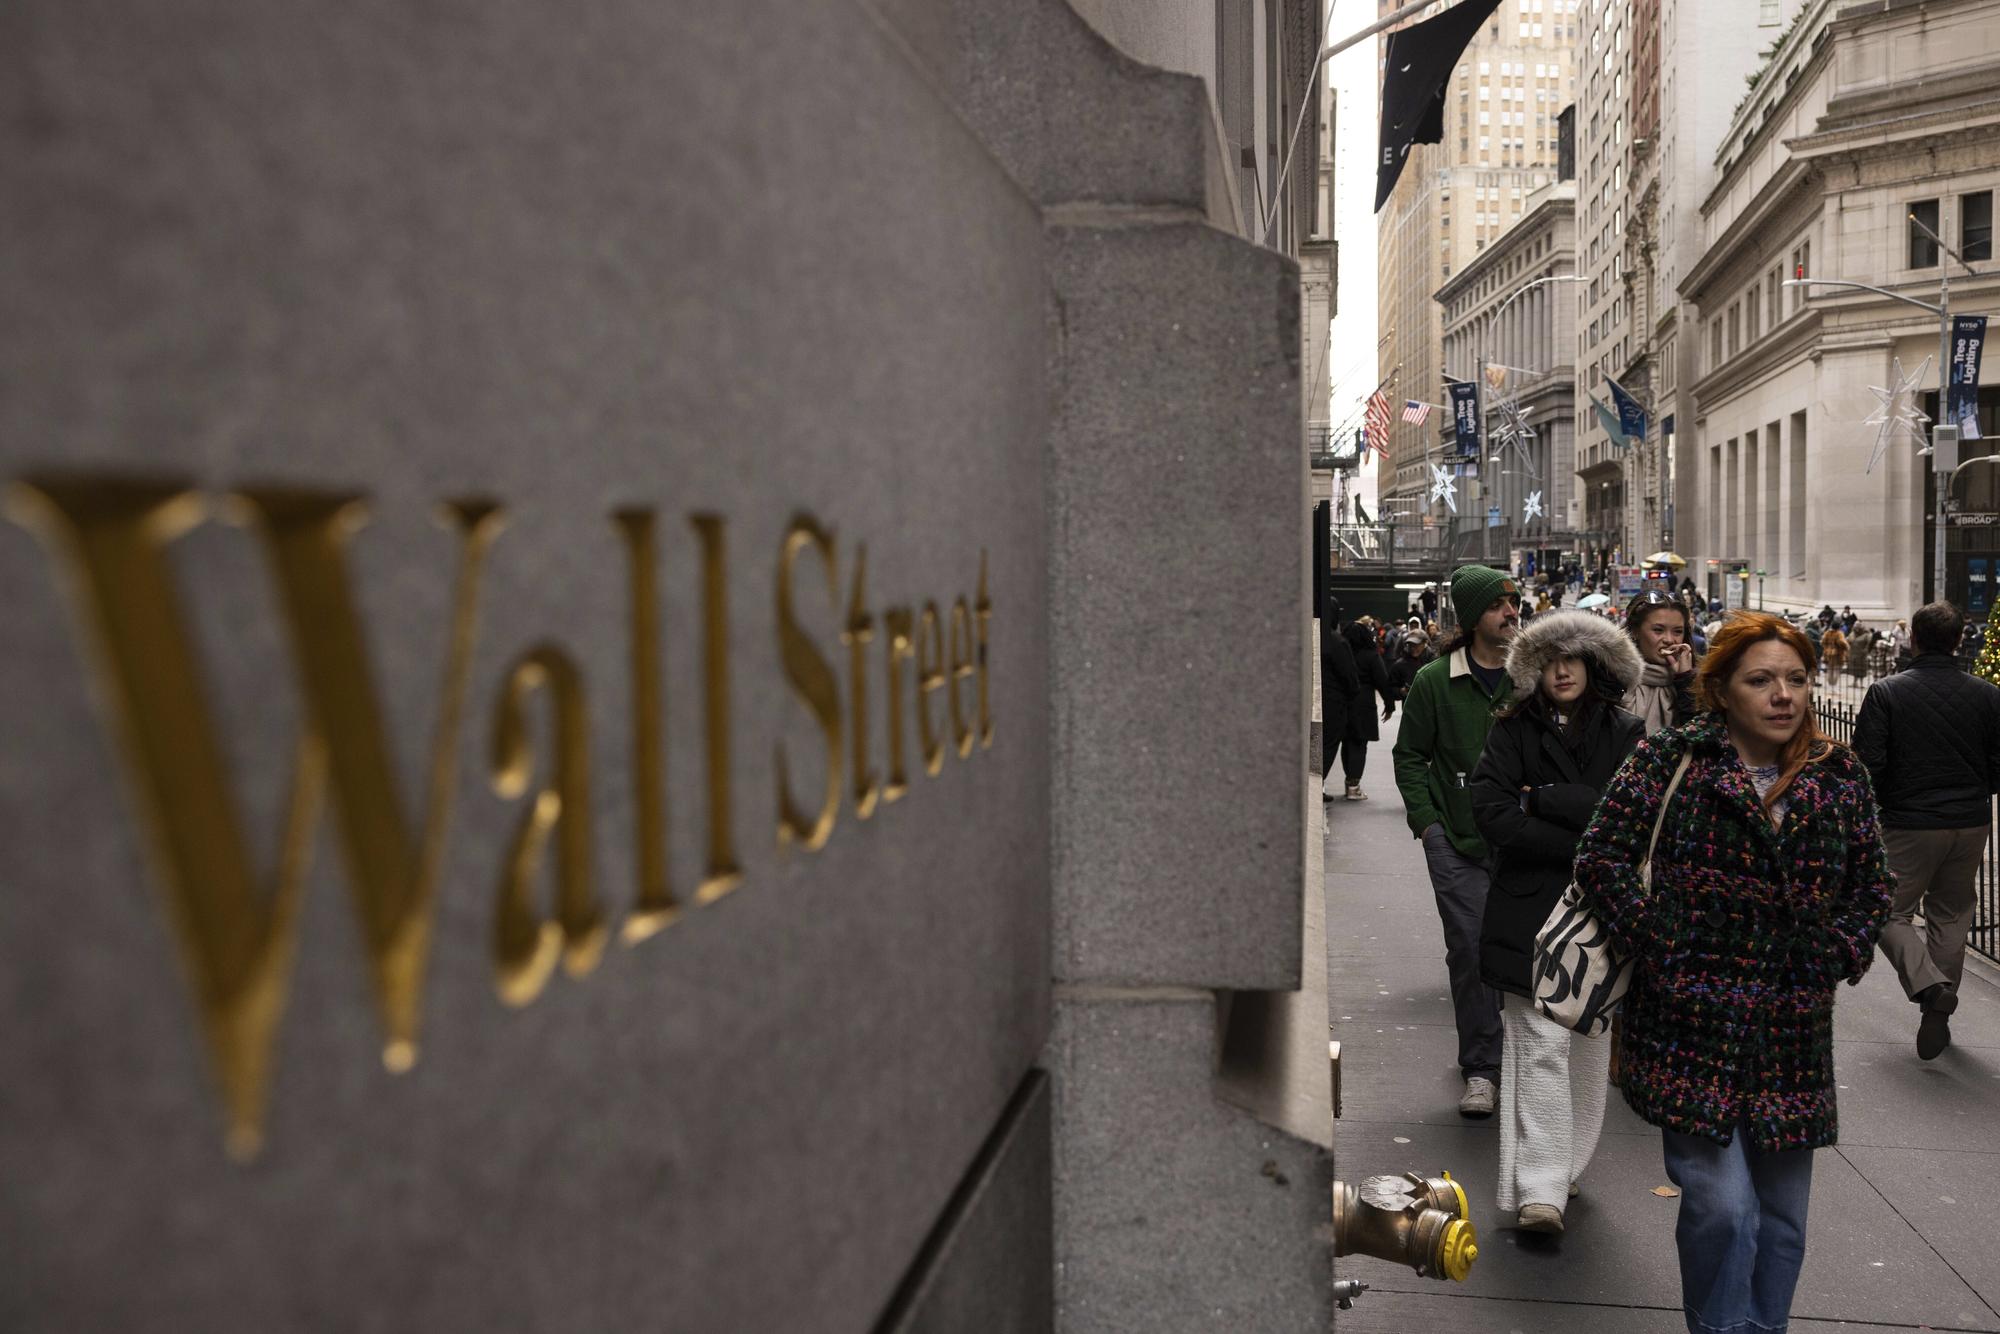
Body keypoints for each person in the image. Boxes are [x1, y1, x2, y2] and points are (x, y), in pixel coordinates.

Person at [1572, 612, 1892, 1334]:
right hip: (1690, 1021)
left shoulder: (1837, 775)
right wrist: (1660, 942)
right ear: (1720, 690)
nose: (1784, 695)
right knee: (1724, 1209)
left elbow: (1873, 888)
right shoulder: (1671, 762)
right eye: (1762, 680)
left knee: (1780, 1222)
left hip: (1790, 1028)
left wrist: (1837, 951)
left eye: (1797, 680)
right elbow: (1602, 857)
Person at [1470, 611, 1644, 1234]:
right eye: (1550, 659)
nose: (1562, 670)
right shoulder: (1511, 729)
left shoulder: (1628, 730)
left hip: (1602, 912)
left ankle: (1563, 1168)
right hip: (1528, 907)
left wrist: (1539, 797)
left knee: (1589, 1046)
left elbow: (1630, 815)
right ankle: (1542, 1190)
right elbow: (1489, 810)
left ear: (1596, 666)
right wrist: (1583, 834)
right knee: (1539, 1045)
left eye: (1574, 659)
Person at [1393, 564, 1521, 1118]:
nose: (1512, 612)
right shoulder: (1433, 681)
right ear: (1473, 619)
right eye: (1498, 604)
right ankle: (1482, 1069)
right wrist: (1429, 825)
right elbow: (1410, 758)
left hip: (1524, 842)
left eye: (1514, 601)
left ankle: (1523, 1060)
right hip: (1456, 841)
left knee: (1525, 953)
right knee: (1470, 947)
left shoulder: (1532, 679)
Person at [1852, 601, 2000, 1059]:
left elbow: (1866, 766)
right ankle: (1937, 1006)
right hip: (1970, 822)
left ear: (1913, 639)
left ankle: (1930, 987)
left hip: (1908, 824)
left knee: (1887, 912)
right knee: (1952, 913)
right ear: (1959, 641)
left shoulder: (1887, 692)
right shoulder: (1988, 695)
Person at [1621, 590, 1698, 734]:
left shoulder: (1697, 684)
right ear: (1635, 631)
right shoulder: (1611, 679)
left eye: (1677, 631)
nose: (1669, 640)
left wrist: (1686, 681)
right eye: (1658, 630)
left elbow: (1700, 738)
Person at [1337, 619, 1397, 801]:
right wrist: (1390, 705)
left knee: (1346, 744)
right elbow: (1382, 681)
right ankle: (1353, 786)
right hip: (1363, 704)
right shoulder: (1371, 656)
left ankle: (1349, 782)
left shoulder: (1342, 653)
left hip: (1342, 702)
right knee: (1359, 745)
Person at [1320, 603, 1361, 802]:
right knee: (1327, 745)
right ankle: (1317, 783)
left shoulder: (1312, 635)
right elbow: (1350, 677)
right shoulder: (1337, 642)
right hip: (1334, 702)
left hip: (1316, 699)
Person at [1391, 631, 1431, 696]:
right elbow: (1391, 689)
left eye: (1416, 645)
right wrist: (1401, 691)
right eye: (1410, 644)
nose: (1412, 648)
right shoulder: (1399, 665)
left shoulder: (1433, 660)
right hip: (1410, 705)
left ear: (1425, 643)